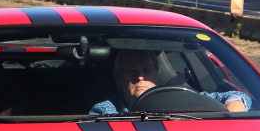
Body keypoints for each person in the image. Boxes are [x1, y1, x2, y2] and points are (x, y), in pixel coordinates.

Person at [89, 49, 249, 115]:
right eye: (131, 70)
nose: (140, 76)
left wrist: (229, 120)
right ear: (119, 78)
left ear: (156, 74)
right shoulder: (106, 110)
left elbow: (238, 96)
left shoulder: (181, 99)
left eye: (147, 70)